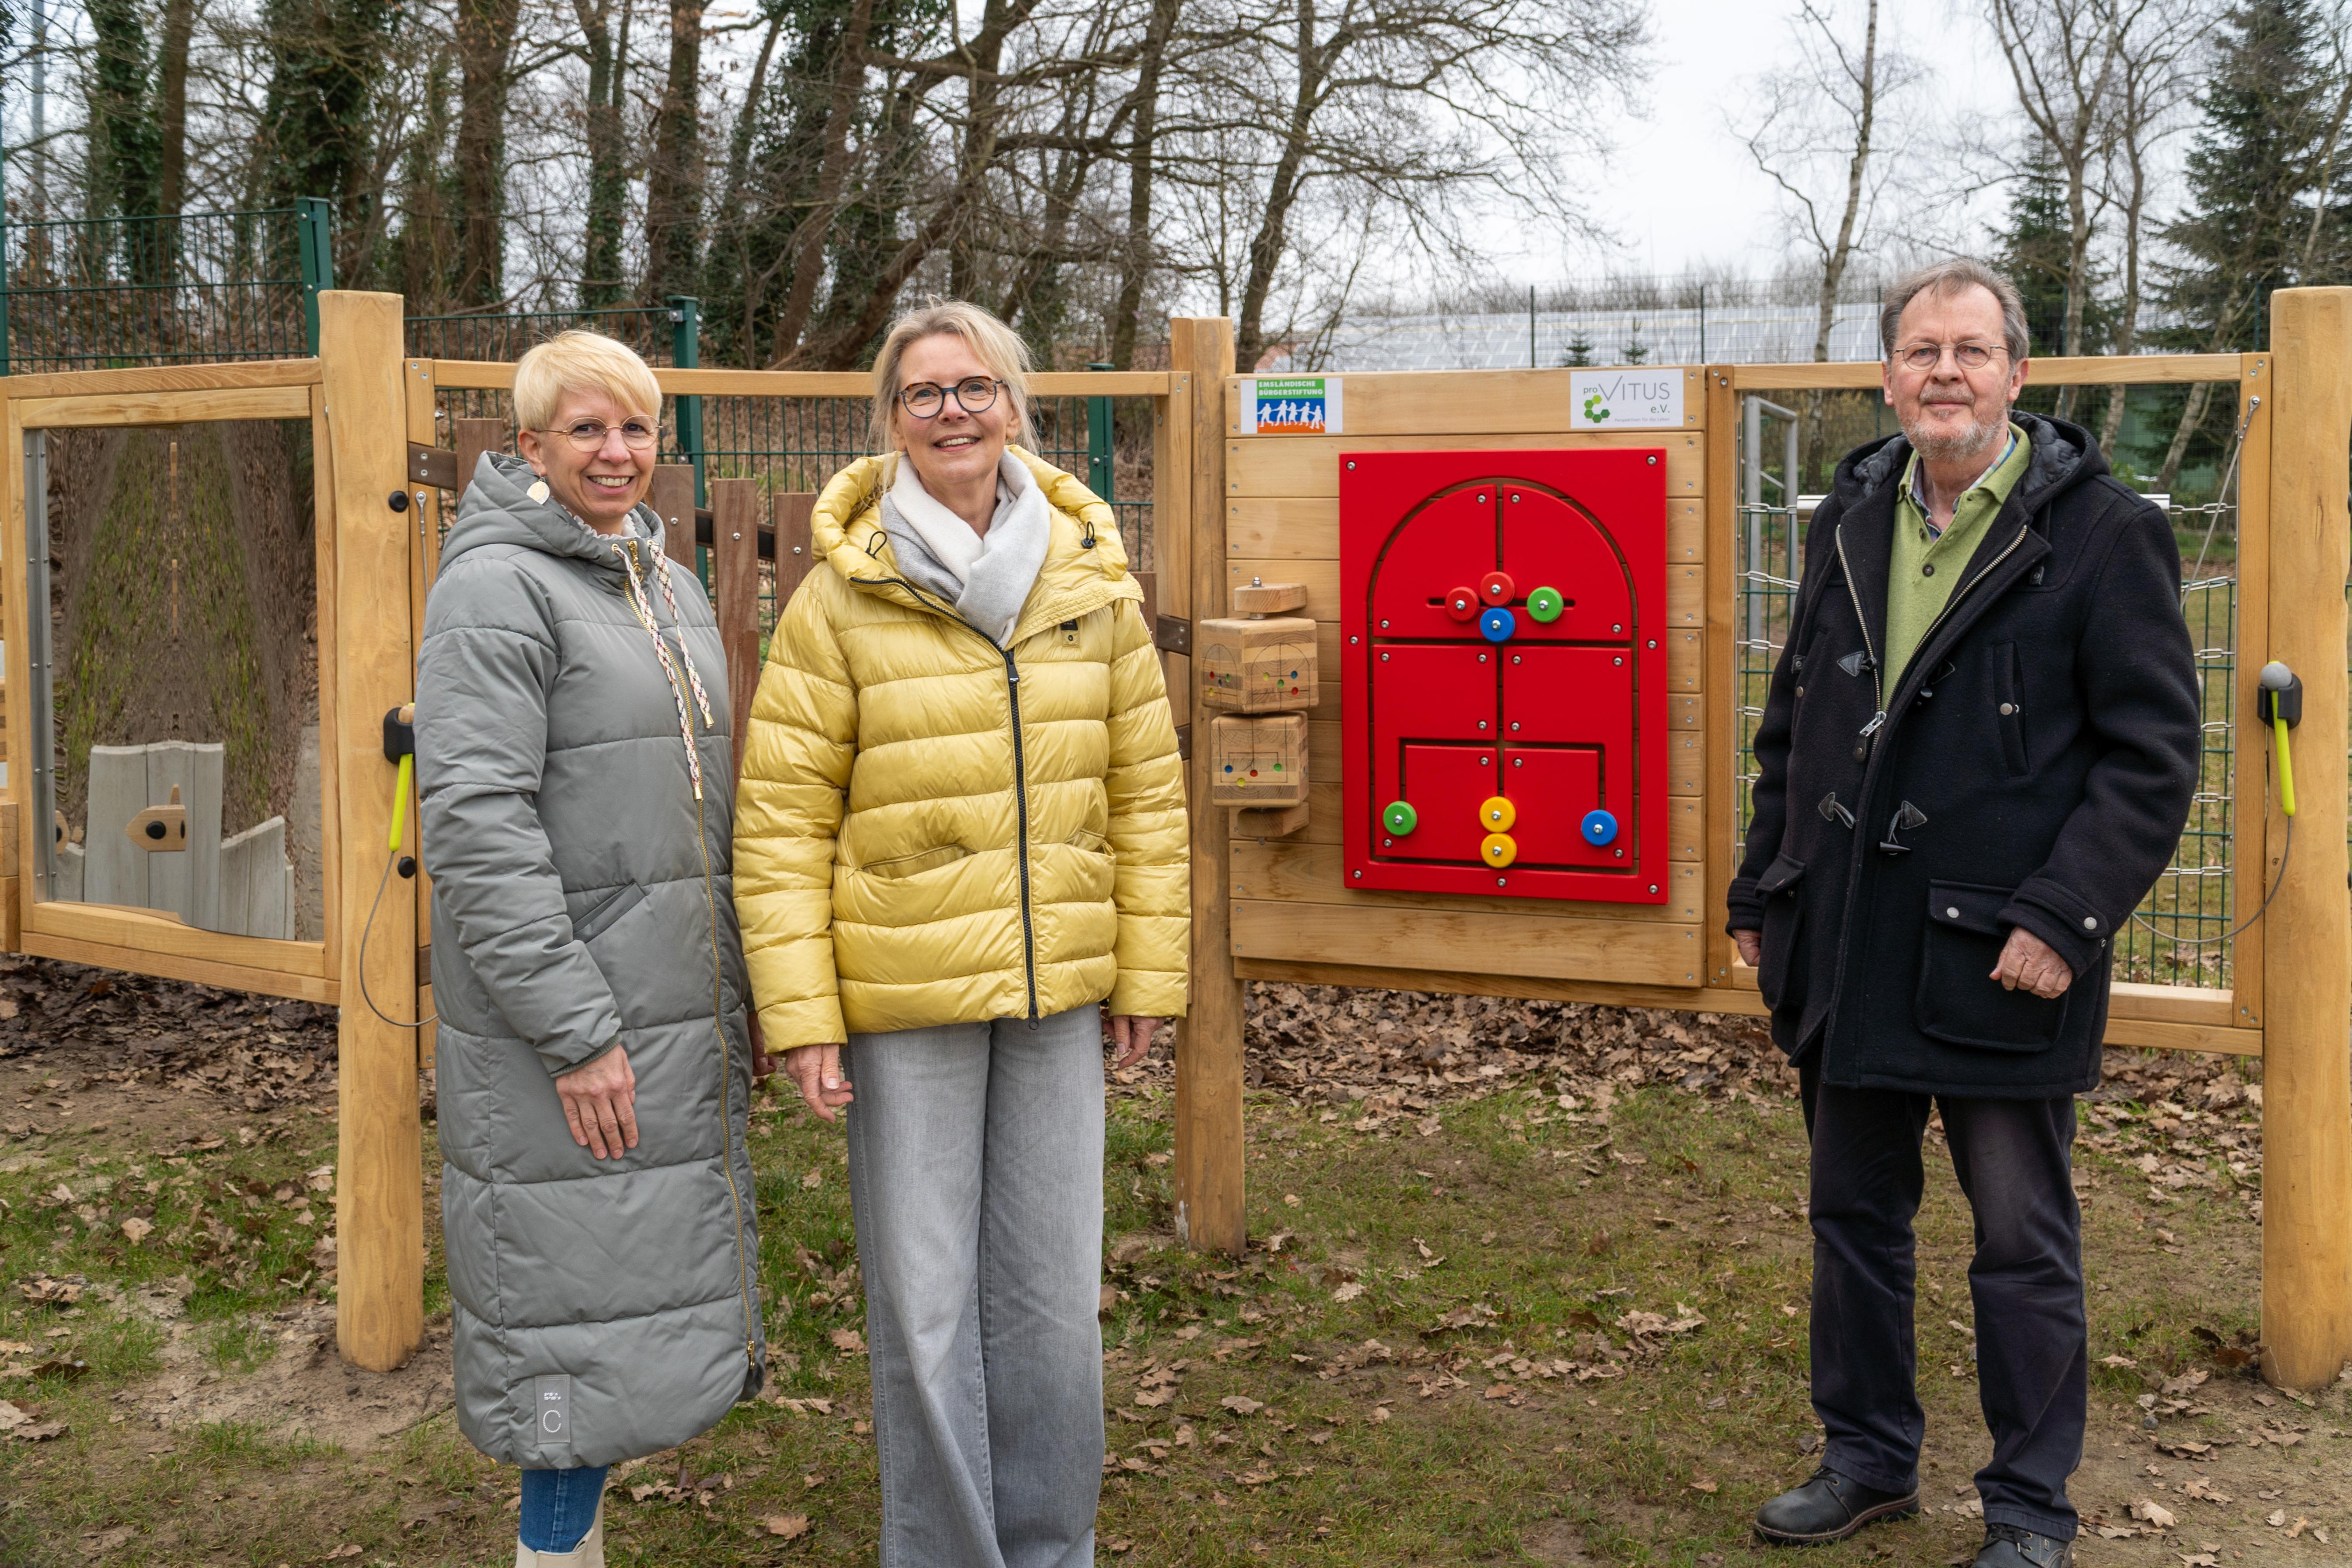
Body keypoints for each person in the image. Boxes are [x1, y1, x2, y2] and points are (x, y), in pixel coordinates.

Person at [1727, 260, 2200, 1568]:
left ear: (2017, 373)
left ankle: (2030, 1512)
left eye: (1972, 350)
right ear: (1889, 373)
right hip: (1851, 943)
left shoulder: (2103, 531)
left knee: (2021, 1244)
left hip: (2004, 955)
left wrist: (2066, 915)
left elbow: (2151, 758)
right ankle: (1869, 1458)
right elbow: (1796, 723)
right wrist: (1762, 885)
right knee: (1854, 1221)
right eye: (1922, 349)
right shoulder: (1853, 513)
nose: (1946, 372)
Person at [733, 299, 1188, 1568]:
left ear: (1015, 406)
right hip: (904, 997)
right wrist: (804, 1014)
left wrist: (1145, 973)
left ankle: (1052, 1548)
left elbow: (1145, 791)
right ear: (891, 421)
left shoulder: (1093, 583)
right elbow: (779, 825)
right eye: (926, 394)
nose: (953, 413)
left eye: (975, 388)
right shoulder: (840, 601)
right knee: (926, 1307)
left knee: (1053, 1305)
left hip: (1056, 997)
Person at [418, 330, 767, 1568]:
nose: (617, 454)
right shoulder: (495, 588)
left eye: (635, 430)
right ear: (528, 447)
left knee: (618, 1310)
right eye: (585, 430)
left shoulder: (655, 581)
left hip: (666, 1010)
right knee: (566, 1335)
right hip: (570, 1025)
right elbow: (474, 823)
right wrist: (574, 1029)